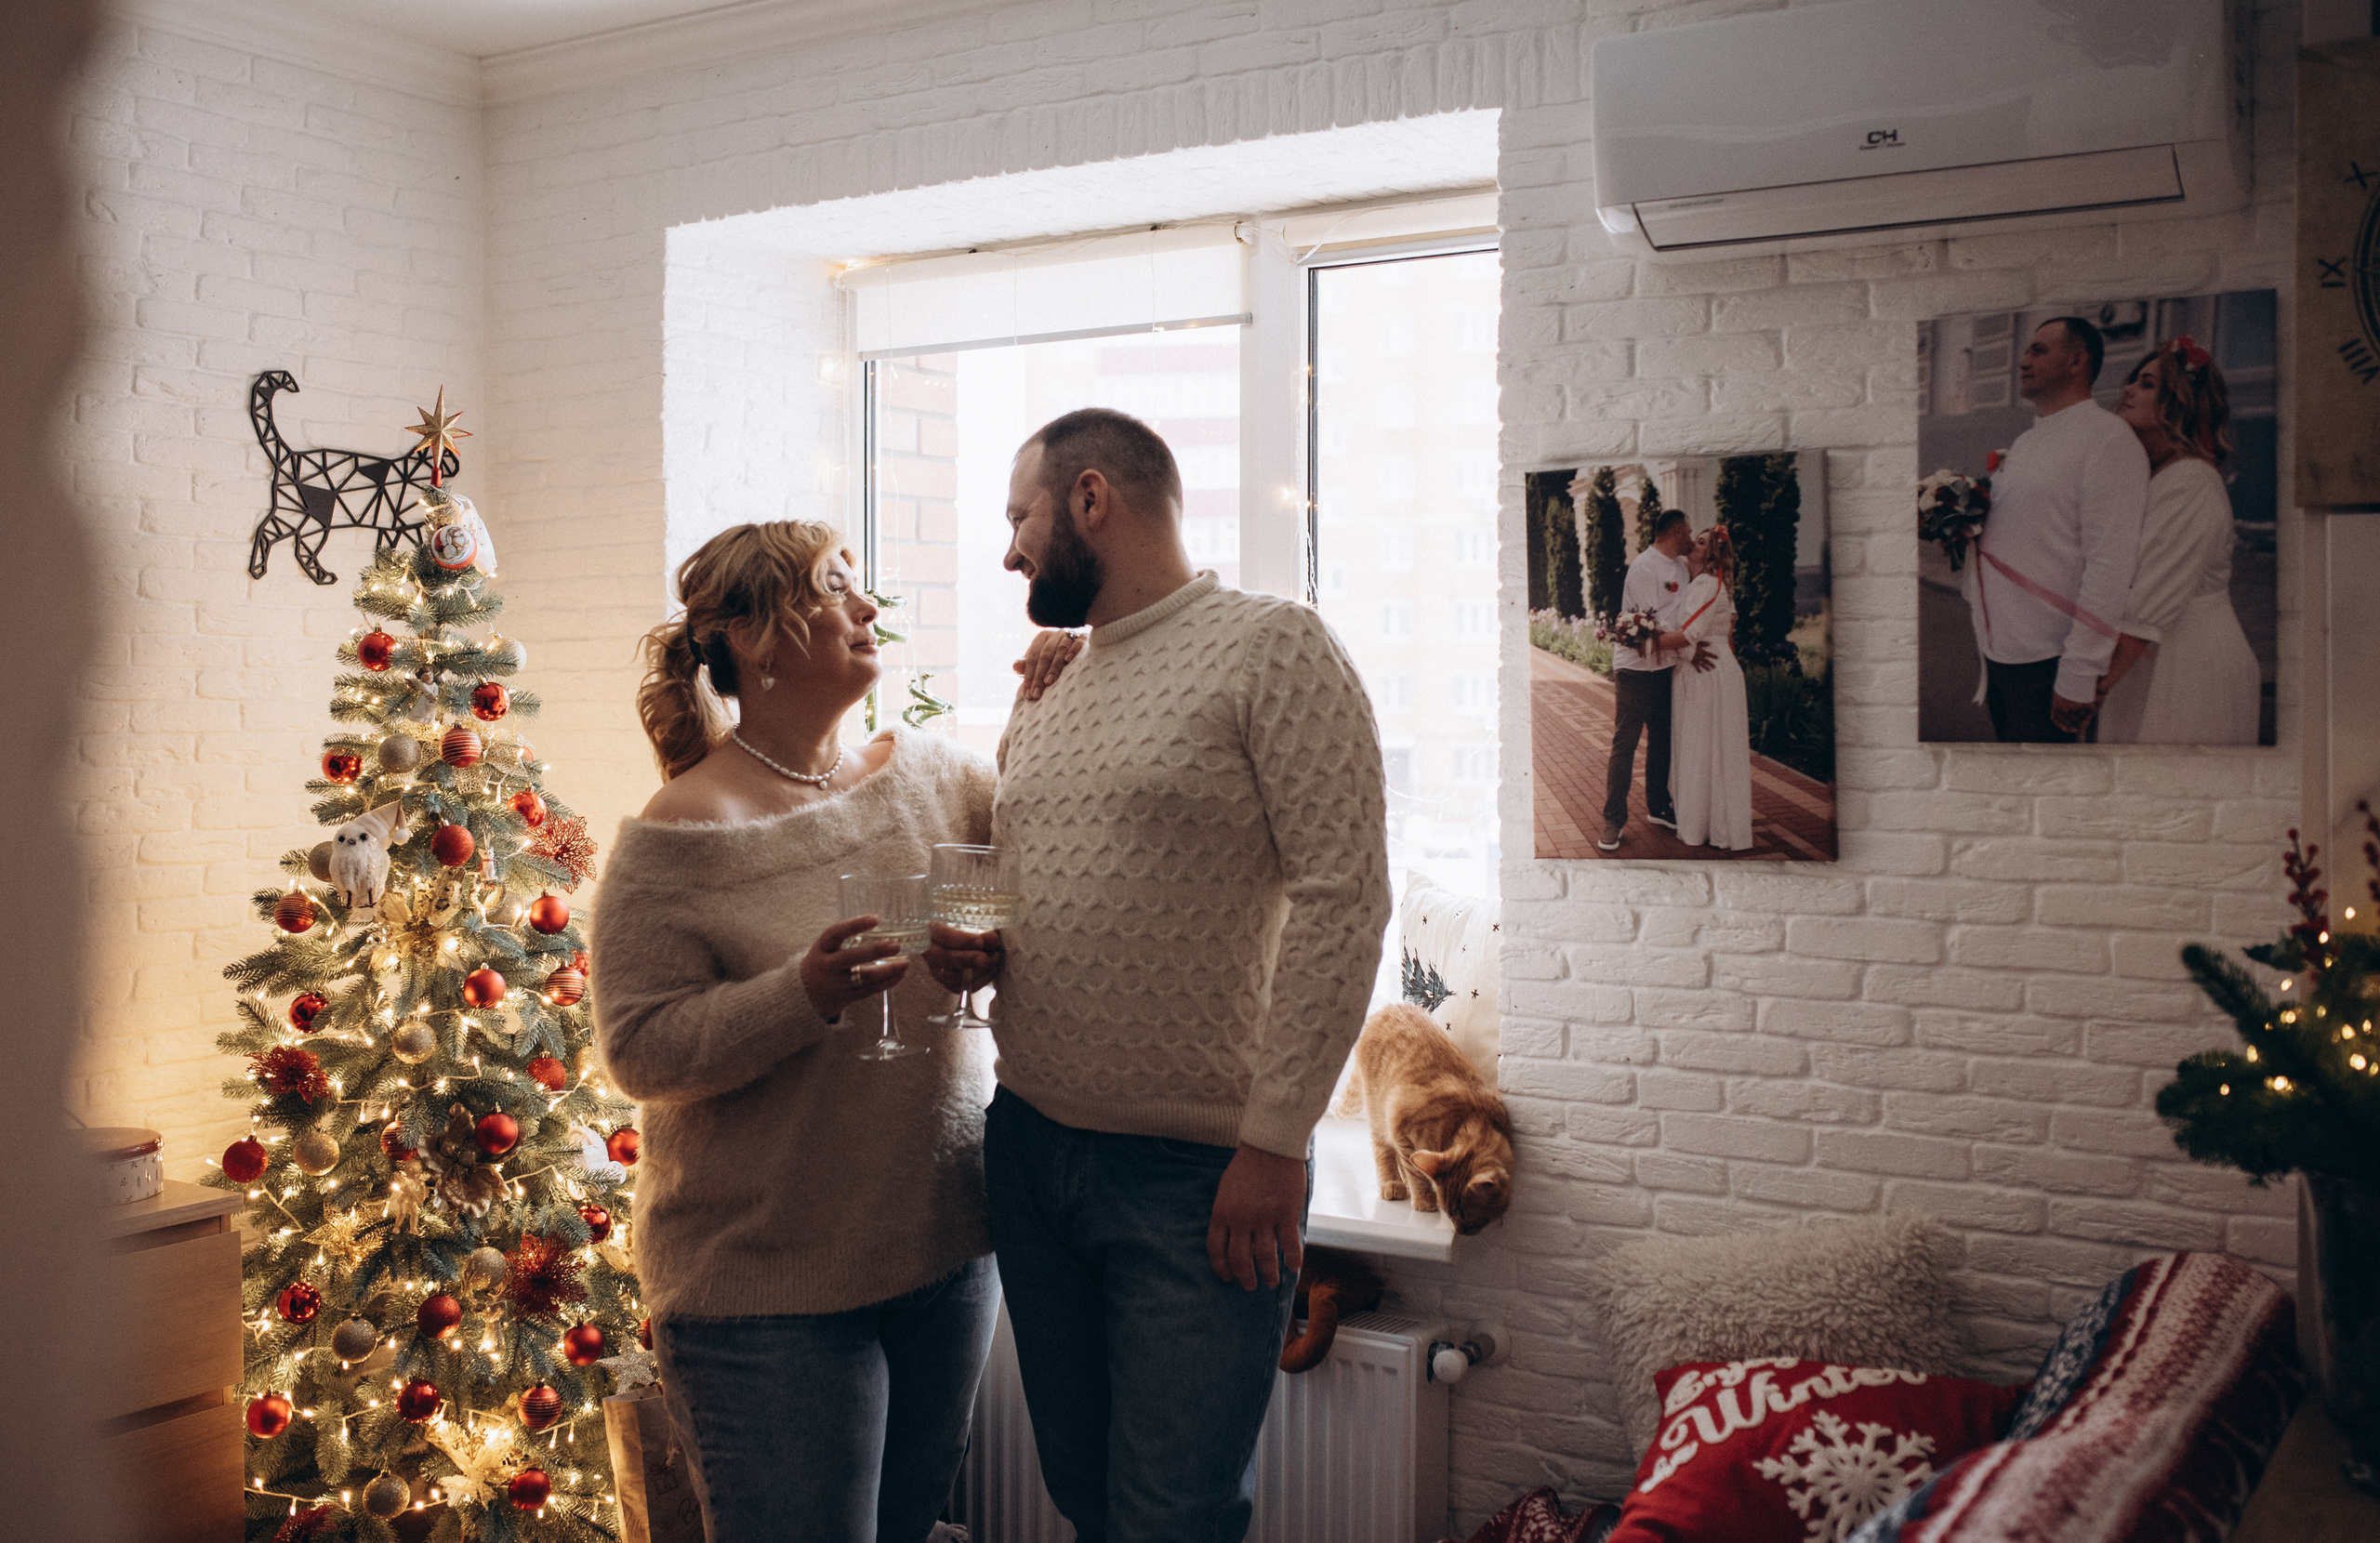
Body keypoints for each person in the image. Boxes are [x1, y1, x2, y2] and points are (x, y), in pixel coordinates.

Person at [945, 407, 1390, 1543]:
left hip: (1199, 1178)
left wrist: (1277, 1139)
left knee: (1173, 1517)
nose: (1010, 553)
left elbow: (1345, 901)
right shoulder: (1046, 681)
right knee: (1085, 1496)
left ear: (1091, 498)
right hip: (1030, 1144)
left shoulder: (1272, 647)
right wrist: (976, 938)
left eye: (1019, 518)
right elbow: (1030, 863)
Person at [592, 520, 1068, 1543]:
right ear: (759, 641)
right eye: (834, 589)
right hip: (763, 1292)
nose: (868, 609)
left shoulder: (940, 777)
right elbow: (638, 1049)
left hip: (941, 1252)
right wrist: (798, 992)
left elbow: (1027, 886)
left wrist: (983, 950)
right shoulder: (681, 832)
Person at [1963, 315, 2149, 743]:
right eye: (2026, 349)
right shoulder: (2027, 442)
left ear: (2076, 361)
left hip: (2050, 661)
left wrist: (2079, 675)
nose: (2023, 360)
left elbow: (2110, 563)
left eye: (2039, 350)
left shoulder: (2108, 440)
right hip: (1999, 653)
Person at [2095, 336, 2261, 744]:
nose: (2128, 389)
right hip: (2152, 655)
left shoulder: (2192, 481)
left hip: (2187, 663)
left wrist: (2092, 690)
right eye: (2133, 380)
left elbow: (2148, 600)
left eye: (2146, 384)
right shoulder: (2157, 475)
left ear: (2179, 402)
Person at [1599, 508, 1696, 851]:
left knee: (1661, 741)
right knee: (1625, 744)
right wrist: (1688, 642)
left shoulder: (1682, 568)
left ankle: (1658, 806)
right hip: (1635, 671)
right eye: (1687, 531)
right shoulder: (1644, 567)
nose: (1690, 536)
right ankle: (1613, 820)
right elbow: (1644, 629)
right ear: (1674, 532)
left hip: (1665, 668)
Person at [1657, 527, 1753, 851]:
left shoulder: (1706, 584)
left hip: (1707, 672)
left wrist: (1642, 639)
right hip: (1708, 667)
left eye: (1699, 543)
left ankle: (1707, 826)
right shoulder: (1702, 583)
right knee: (1707, 747)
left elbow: (1689, 634)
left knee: (1704, 747)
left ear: (1709, 555)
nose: (1691, 545)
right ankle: (1711, 823)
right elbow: (1729, 623)